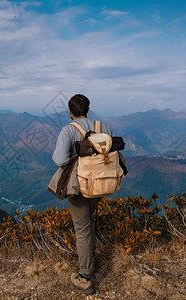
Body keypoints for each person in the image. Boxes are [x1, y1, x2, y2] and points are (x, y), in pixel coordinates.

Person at [52, 94, 113, 295]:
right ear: (88, 109)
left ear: (70, 112)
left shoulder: (69, 130)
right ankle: (90, 262)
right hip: (100, 184)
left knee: (83, 228)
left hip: (79, 186)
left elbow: (60, 159)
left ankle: (85, 277)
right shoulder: (102, 127)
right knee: (90, 222)